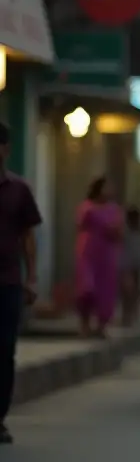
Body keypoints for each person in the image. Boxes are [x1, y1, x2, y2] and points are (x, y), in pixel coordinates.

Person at [0, 120, 42, 444]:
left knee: (4, 353)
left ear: (7, 150)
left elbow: (28, 236)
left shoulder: (19, 190)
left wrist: (33, 277)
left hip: (8, 283)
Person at [75, 176, 123, 338]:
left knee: (105, 290)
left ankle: (101, 326)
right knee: (86, 289)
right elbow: (79, 225)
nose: (110, 191)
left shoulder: (114, 209)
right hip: (88, 251)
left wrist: (113, 231)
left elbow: (119, 232)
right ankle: (84, 325)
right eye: (106, 187)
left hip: (107, 253)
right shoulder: (86, 207)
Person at [120, 206, 140, 327]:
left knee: (136, 289)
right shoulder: (125, 232)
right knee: (128, 290)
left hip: (137, 264)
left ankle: (134, 313)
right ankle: (127, 316)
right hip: (126, 264)